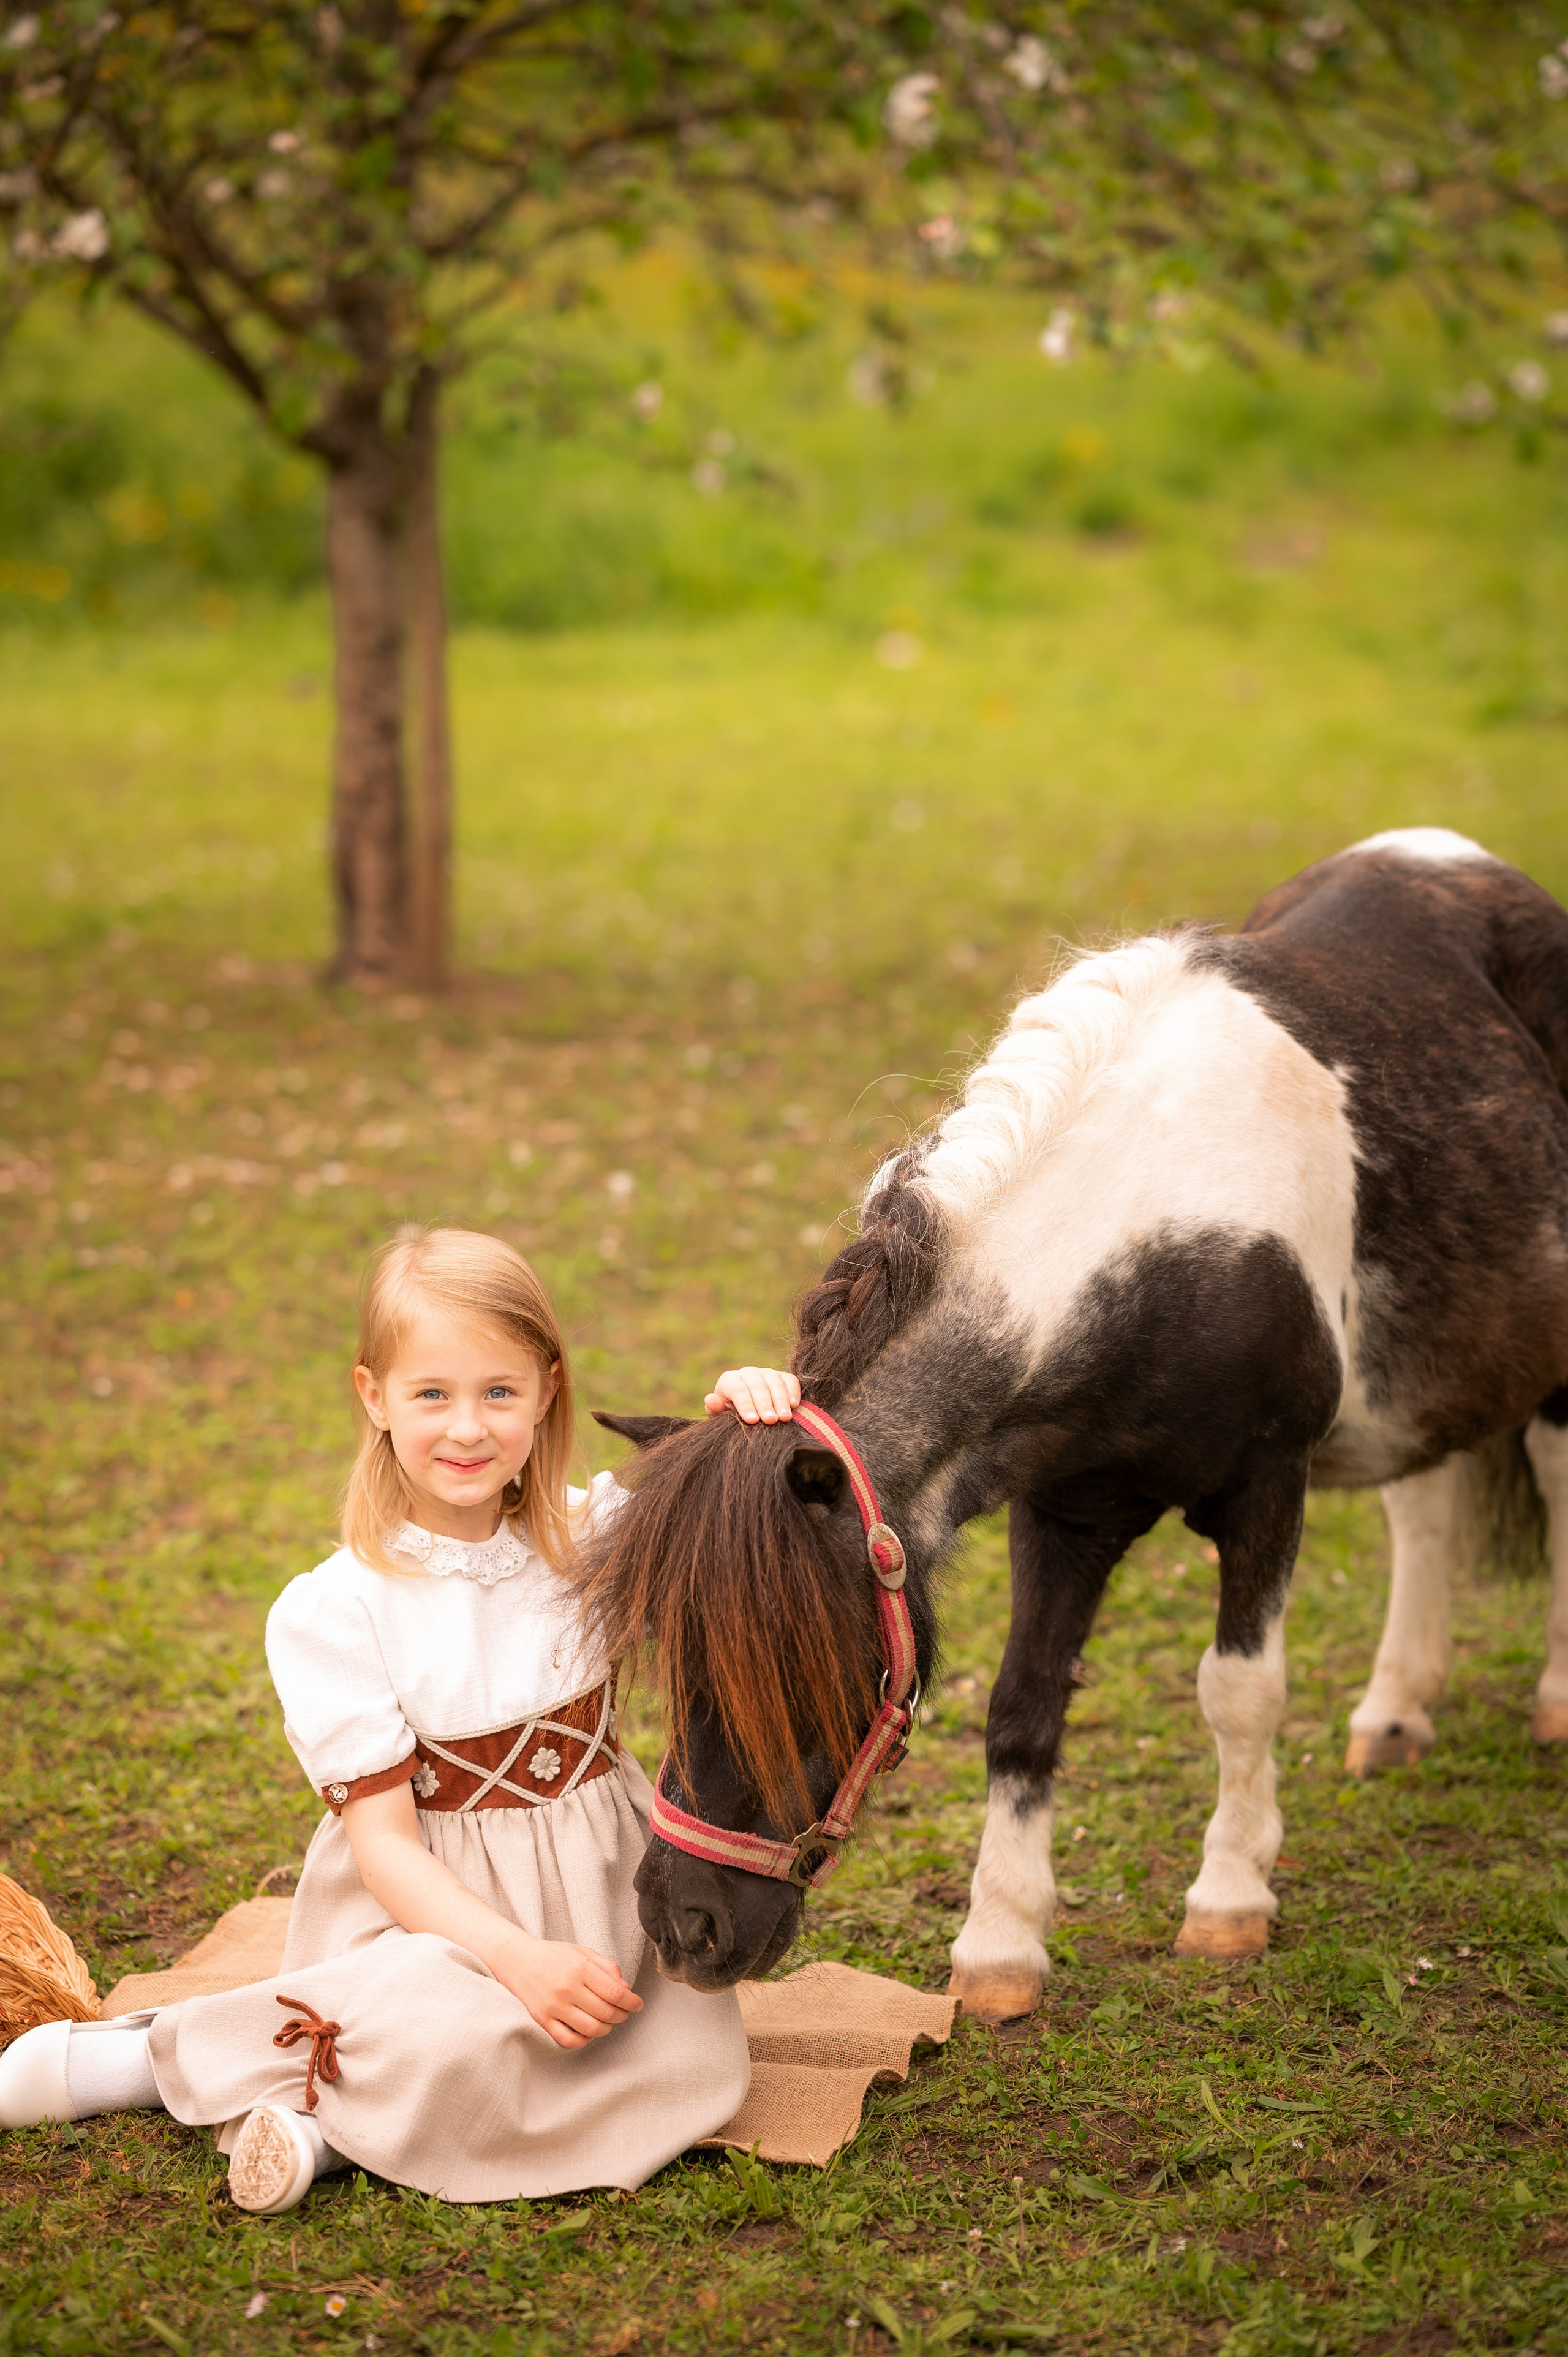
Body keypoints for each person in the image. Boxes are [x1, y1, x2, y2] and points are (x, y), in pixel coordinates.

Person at [0, 1227, 800, 2211]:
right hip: (433, 1915)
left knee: (679, 2047)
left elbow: (739, 1507)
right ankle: (145, 2061)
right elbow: (384, 1848)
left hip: (600, 1895)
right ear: (373, 1398)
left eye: (498, 1392)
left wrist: (746, 1405)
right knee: (447, 2025)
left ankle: (323, 2119)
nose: (467, 1428)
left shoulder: (597, 1536)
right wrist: (513, 1958)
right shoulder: (340, 1609)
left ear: (548, 1391)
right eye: (432, 1395)